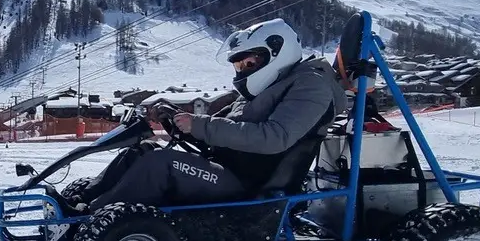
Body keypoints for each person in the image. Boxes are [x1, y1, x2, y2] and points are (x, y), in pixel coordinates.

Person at [63, 18, 347, 212]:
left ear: (278, 51)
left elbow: (275, 137)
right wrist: (180, 120)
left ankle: (90, 217)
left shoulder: (311, 84)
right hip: (227, 168)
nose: (244, 69)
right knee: (143, 150)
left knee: (161, 163)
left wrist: (200, 125)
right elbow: (224, 124)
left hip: (248, 187)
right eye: (239, 65)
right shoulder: (269, 87)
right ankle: (81, 199)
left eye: (250, 61)